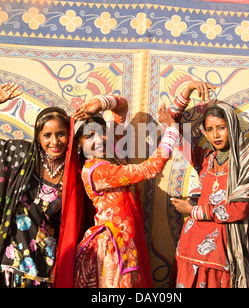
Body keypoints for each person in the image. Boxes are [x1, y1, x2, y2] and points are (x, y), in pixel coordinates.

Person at [0, 82, 86, 288]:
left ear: (70, 135)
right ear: (38, 137)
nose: (54, 141)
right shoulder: (19, 156)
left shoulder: (76, 171)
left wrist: (101, 104)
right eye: (47, 135)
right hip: (7, 264)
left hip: (45, 270)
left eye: (61, 134)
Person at [169, 81, 249, 288]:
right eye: (209, 129)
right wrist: (188, 89)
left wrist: (193, 211)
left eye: (221, 128)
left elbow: (240, 210)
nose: (215, 135)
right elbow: (171, 125)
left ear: (232, 127)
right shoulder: (205, 159)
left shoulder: (248, 163)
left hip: (222, 252)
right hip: (189, 248)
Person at [72, 94, 179, 288]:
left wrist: (99, 103)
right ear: (79, 144)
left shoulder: (112, 152)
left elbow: (121, 107)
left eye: (102, 131)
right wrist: (172, 133)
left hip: (125, 242)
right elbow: (150, 169)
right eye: (89, 136)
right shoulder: (97, 170)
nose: (99, 139)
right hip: (112, 249)